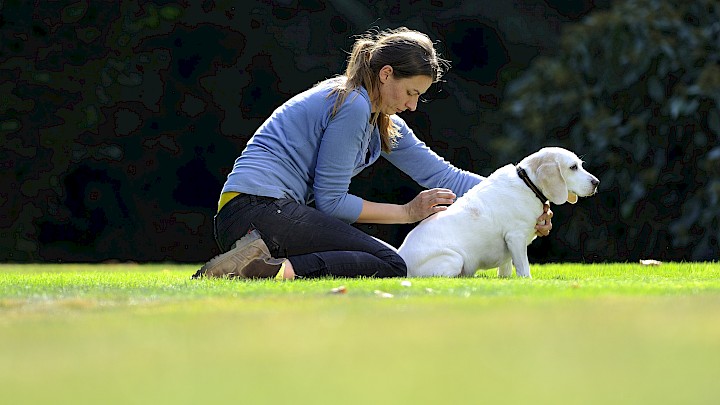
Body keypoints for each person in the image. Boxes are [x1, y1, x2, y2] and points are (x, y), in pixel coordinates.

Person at [192, 27, 553, 280]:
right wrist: (407, 212)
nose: (413, 106)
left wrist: (525, 200)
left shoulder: (382, 119)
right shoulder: (352, 104)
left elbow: (447, 178)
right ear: (385, 74)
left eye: (419, 96)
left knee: (385, 261)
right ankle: (256, 270)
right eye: (410, 92)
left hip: (264, 214)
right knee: (390, 263)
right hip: (257, 210)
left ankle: (260, 263)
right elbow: (331, 202)